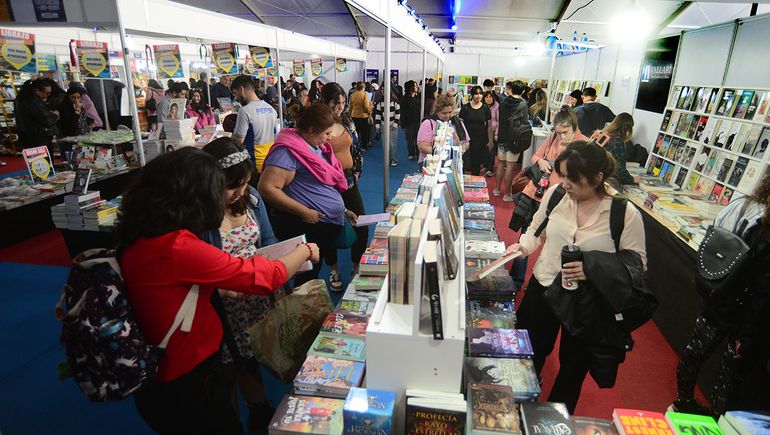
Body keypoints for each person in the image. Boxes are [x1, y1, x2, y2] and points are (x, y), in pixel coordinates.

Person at [117, 147, 319, 434]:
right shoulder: (176, 247)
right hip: (185, 376)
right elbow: (259, 277)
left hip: (177, 371)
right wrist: (305, 251)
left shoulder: (147, 232)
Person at [506, 141, 646, 413]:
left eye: (574, 179)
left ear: (598, 178)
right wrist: (522, 247)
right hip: (545, 285)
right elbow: (537, 230)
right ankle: (519, 407)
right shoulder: (557, 195)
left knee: (573, 368)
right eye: (564, 176)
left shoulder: (624, 214)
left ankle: (554, 420)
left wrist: (593, 269)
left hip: (588, 302)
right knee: (527, 353)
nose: (566, 184)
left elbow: (637, 265)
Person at [672, 172, 770, 416]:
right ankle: (716, 417)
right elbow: (763, 291)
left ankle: (683, 401)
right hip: (742, 310)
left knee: (694, 354)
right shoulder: (765, 225)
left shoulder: (741, 203)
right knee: (728, 373)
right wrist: (747, 336)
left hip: (716, 293)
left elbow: (711, 235)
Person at [200, 138, 278, 433]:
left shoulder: (253, 199)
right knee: (225, 371)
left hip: (254, 298)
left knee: (251, 357)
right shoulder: (200, 216)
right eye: (233, 186)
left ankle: (257, 408)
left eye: (245, 183)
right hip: (221, 307)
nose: (240, 193)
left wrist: (276, 266)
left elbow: (267, 239)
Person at [258, 103, 355, 285]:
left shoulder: (313, 146)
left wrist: (343, 210)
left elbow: (319, 186)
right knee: (305, 280)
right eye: (326, 134)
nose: (329, 139)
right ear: (311, 130)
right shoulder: (287, 152)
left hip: (321, 226)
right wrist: (304, 212)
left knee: (312, 275)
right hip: (305, 226)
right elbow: (267, 188)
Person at [509, 106, 588, 291]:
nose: (562, 136)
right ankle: (517, 281)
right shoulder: (553, 138)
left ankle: (551, 285)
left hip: (563, 201)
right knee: (529, 234)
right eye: (558, 132)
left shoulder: (584, 146)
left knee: (558, 242)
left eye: (565, 132)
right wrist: (541, 161)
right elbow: (536, 156)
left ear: (575, 126)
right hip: (538, 195)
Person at [319, 83, 368, 289]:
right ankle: (333, 270)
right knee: (329, 227)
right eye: (335, 103)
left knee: (361, 223)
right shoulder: (318, 124)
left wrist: (356, 172)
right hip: (325, 185)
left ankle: (356, 266)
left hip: (349, 180)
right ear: (324, 102)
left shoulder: (347, 120)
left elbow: (356, 148)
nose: (339, 107)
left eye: (342, 103)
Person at [231, 75, 279, 175]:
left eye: (236, 94)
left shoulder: (245, 111)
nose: (236, 98)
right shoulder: (271, 109)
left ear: (241, 90)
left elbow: (238, 141)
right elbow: (275, 136)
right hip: (271, 162)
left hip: (254, 164)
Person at [495, 80, 529, 201]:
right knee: (510, 167)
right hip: (514, 139)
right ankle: (507, 194)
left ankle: (497, 189)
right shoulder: (523, 104)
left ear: (511, 89)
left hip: (502, 137)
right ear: (523, 91)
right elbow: (524, 122)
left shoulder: (503, 101)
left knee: (501, 163)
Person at [417, 93, 469, 164]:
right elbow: (422, 147)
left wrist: (460, 150)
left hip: (453, 162)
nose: (448, 116)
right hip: (431, 162)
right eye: (444, 113)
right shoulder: (428, 123)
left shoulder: (458, 122)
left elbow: (466, 142)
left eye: (450, 112)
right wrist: (443, 153)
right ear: (437, 112)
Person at [15, 78, 59, 155]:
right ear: (37, 91)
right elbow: (47, 120)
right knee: (44, 163)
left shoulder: (22, 99)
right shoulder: (34, 102)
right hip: (39, 139)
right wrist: (55, 115)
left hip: (28, 136)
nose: (48, 95)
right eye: (46, 93)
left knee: (35, 163)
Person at [596, 113, 637, 187]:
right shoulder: (617, 142)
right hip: (605, 180)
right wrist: (632, 179)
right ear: (627, 129)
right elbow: (619, 170)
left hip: (593, 176)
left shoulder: (602, 134)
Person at [459, 85, 493, 176]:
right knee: (464, 162)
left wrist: (490, 141)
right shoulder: (465, 107)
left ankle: (475, 180)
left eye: (480, 94)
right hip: (467, 138)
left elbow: (489, 126)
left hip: (480, 138)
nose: (479, 96)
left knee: (476, 163)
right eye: (476, 94)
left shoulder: (485, 108)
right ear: (472, 95)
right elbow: (460, 125)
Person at [400, 80, 422, 160]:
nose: (416, 88)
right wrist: (403, 125)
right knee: (410, 139)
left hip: (418, 121)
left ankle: (418, 152)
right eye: (415, 86)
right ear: (410, 88)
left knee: (418, 138)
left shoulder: (418, 97)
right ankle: (411, 153)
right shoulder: (405, 99)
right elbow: (403, 112)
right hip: (408, 122)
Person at [349, 82, 373, 150]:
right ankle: (364, 146)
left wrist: (350, 115)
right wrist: (370, 111)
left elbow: (350, 106)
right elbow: (366, 106)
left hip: (354, 116)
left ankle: (355, 146)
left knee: (356, 132)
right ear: (363, 87)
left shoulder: (353, 95)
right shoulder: (364, 95)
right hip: (363, 116)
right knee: (364, 132)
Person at [482, 90, 499, 177]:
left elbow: (499, 121)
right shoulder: (482, 106)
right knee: (485, 149)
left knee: (491, 150)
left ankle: (490, 169)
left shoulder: (496, 106)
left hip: (492, 130)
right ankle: (485, 166)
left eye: (490, 97)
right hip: (483, 130)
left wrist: (496, 133)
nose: (489, 99)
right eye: (487, 97)